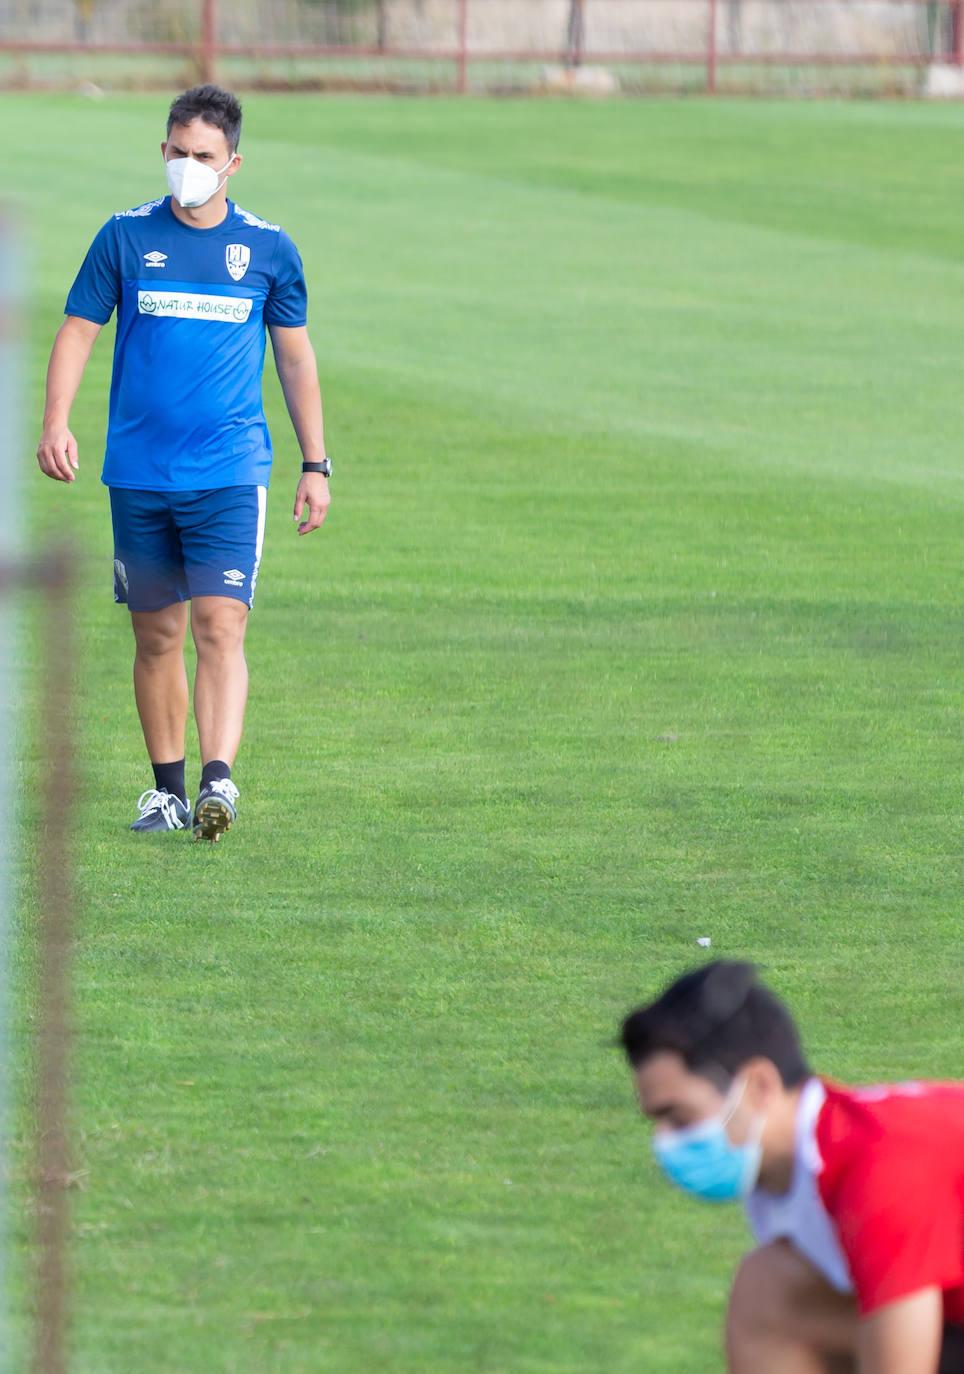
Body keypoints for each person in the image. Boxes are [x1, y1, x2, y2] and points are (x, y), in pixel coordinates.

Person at [36, 83, 331, 841]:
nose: (187, 166)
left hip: (231, 472)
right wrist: (56, 421)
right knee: (156, 635)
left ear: (233, 163)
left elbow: (295, 361)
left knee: (220, 625)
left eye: (203, 155)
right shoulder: (124, 238)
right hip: (137, 472)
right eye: (177, 152)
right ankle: (166, 791)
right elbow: (77, 330)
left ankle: (218, 783)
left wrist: (315, 463)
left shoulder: (269, 249)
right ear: (162, 150)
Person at [619, 960, 964, 1374]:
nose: (665, 1142)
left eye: (680, 1118)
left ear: (759, 1087)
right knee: (767, 1290)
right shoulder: (789, 1172)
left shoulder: (877, 1171)